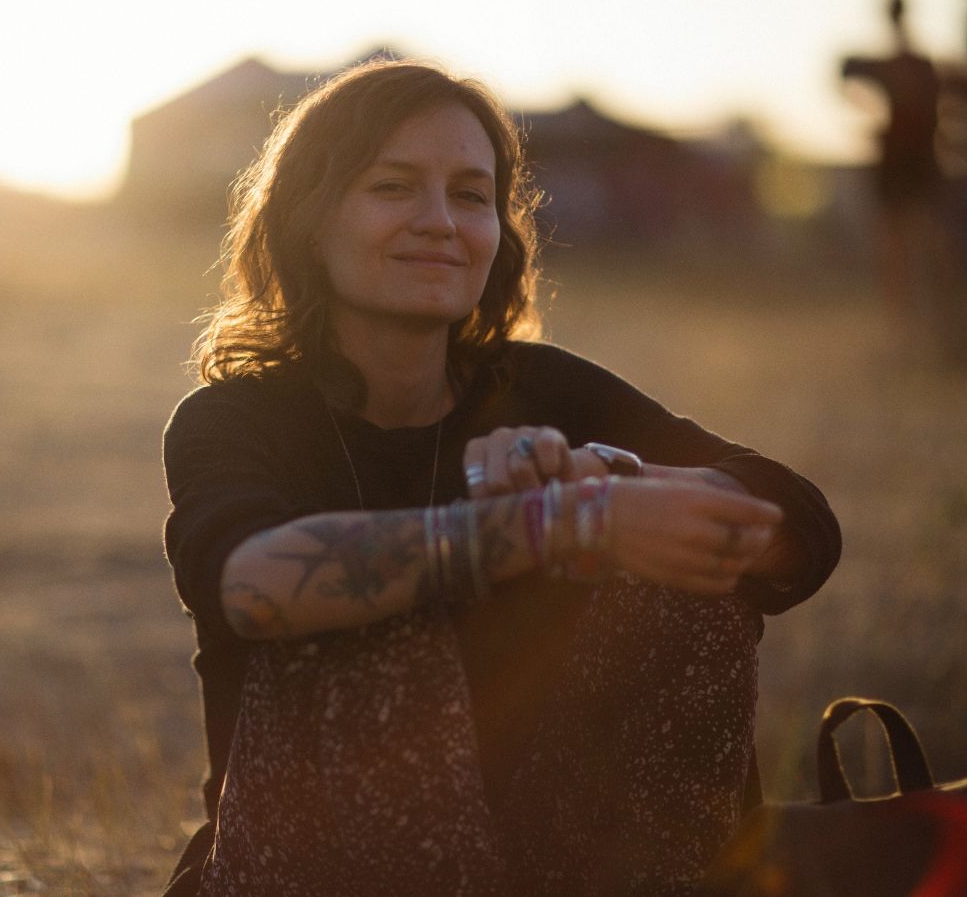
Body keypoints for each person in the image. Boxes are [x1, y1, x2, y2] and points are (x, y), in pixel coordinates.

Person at [161, 59, 841, 897]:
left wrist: (614, 480)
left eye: (472, 196)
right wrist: (554, 528)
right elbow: (250, 584)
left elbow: (798, 527)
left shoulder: (543, 389)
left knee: (694, 592)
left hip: (548, 854)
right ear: (308, 219)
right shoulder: (236, 419)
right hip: (304, 861)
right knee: (380, 634)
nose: (439, 222)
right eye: (394, 187)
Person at [841, 0, 945, 329]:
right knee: (900, 243)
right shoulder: (908, 64)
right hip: (908, 164)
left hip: (913, 163)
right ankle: (906, 321)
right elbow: (844, 70)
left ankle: (916, 320)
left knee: (914, 242)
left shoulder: (908, 64)